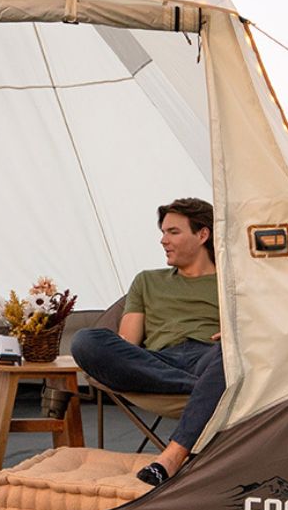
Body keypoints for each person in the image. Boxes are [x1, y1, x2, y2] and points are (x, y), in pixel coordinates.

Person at [70, 198, 224, 487]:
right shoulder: (147, 281)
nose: (163, 240)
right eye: (163, 232)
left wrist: (235, 334)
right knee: (85, 341)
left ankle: (171, 457)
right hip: (157, 361)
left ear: (203, 235)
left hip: (209, 356)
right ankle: (207, 393)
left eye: (173, 232)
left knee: (231, 356)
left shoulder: (232, 283)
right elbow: (128, 344)